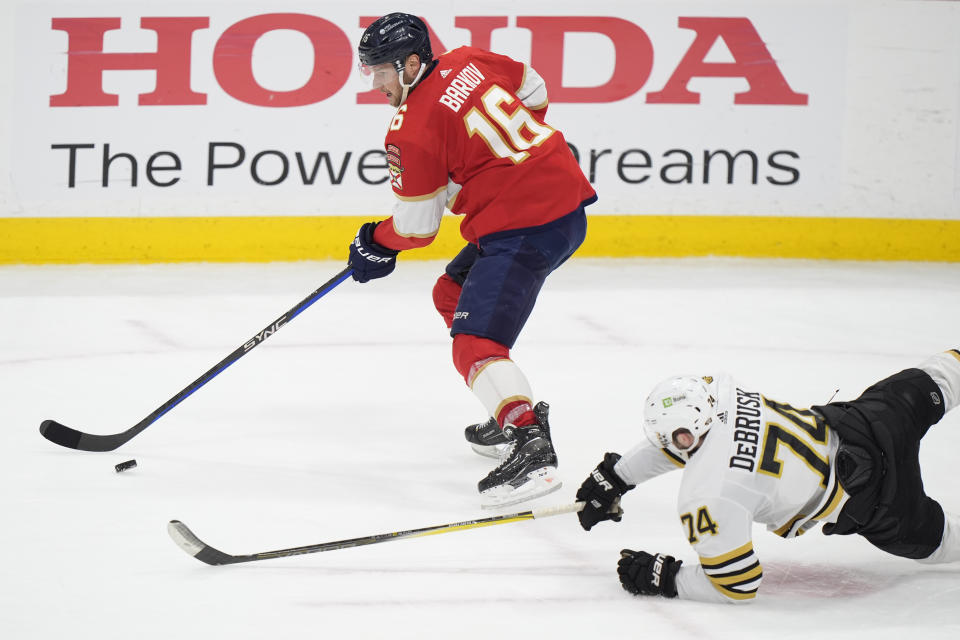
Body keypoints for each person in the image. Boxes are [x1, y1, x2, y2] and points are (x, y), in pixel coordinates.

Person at [347, 13, 597, 508]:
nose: (375, 84)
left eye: (382, 72)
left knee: (475, 343)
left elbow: (416, 230)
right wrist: (510, 156)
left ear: (412, 63)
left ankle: (530, 445)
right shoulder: (468, 59)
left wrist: (374, 241)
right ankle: (507, 408)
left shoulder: (410, 130)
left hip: (523, 226)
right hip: (565, 208)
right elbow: (534, 87)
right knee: (452, 293)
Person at [574, 350, 960, 603]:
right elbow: (689, 440)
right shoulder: (721, 391)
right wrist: (618, 475)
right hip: (870, 423)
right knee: (943, 374)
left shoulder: (708, 495)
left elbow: (738, 583)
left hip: (878, 505)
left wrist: (665, 578)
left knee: (943, 544)